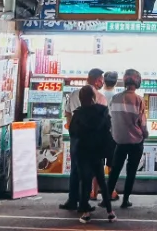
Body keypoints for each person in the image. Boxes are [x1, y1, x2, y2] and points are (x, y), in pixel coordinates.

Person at [61, 68, 106, 211]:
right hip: (93, 139)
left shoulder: (74, 94)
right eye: (102, 80)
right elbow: (103, 120)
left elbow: (67, 112)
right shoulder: (100, 97)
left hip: (76, 137)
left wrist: (71, 128)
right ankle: (84, 202)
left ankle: (72, 200)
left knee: (75, 169)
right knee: (90, 171)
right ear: (98, 80)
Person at [70, 85, 116, 224]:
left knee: (85, 182)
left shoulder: (78, 113)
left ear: (81, 98)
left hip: (83, 151)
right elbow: (108, 128)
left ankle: (86, 212)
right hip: (97, 151)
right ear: (94, 97)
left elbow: (73, 132)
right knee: (102, 181)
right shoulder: (102, 111)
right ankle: (110, 212)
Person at [109, 69, 147, 209]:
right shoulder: (138, 100)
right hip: (135, 142)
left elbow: (111, 118)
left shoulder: (115, 98)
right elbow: (142, 123)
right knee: (131, 171)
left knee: (115, 170)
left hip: (119, 141)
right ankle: (125, 200)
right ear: (137, 81)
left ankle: (106, 198)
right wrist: (145, 133)